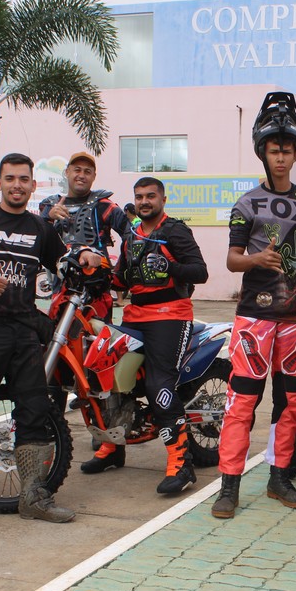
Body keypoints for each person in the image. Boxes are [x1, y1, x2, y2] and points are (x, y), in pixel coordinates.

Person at [0, 152, 101, 526]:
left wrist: (84, 256)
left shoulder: (40, 228)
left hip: (24, 331)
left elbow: (62, 262)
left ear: (32, 184)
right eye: (10, 178)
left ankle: (33, 498)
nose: (17, 185)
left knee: (35, 412)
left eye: (24, 179)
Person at [211, 92, 296, 520]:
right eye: (274, 150)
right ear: (263, 152)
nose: (281, 157)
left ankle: (279, 477)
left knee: (292, 401)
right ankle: (229, 485)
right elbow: (231, 260)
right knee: (242, 401)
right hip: (255, 316)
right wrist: (256, 259)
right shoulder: (246, 203)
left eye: (288, 150)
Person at [83, 176, 208, 493]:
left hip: (171, 315)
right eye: (139, 197)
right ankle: (113, 447)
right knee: (106, 375)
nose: (144, 202)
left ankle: (181, 464)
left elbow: (200, 271)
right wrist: (98, 272)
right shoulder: (132, 234)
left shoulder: (175, 231)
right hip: (134, 315)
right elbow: (123, 277)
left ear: (162, 200)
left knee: (158, 384)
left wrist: (169, 266)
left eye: (150, 196)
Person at [38, 151, 129, 321]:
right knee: (59, 334)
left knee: (98, 335)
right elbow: (35, 240)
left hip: (97, 291)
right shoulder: (50, 206)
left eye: (87, 171)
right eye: (77, 170)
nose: (81, 175)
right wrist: (48, 218)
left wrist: (118, 273)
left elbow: (131, 236)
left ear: (94, 176)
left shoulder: (104, 205)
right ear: (67, 172)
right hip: (61, 288)